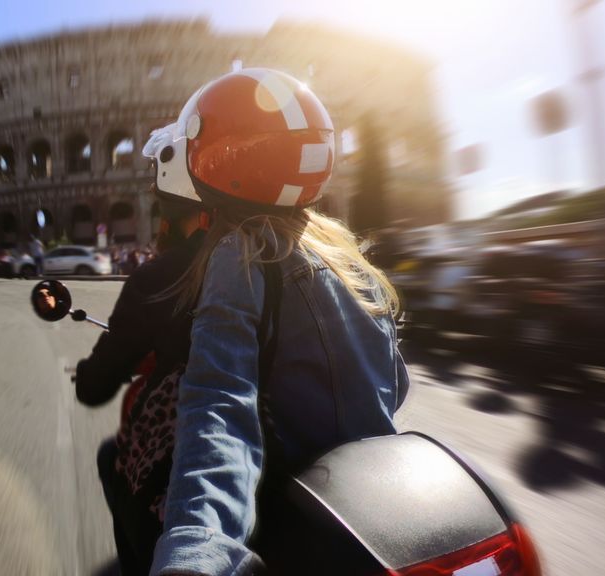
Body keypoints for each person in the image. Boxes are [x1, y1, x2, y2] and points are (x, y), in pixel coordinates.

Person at [149, 69, 410, 576]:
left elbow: (219, 404)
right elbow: (395, 382)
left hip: (301, 502)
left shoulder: (241, 253)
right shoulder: (346, 255)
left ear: (219, 160)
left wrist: (198, 549)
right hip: (380, 496)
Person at [74, 114, 212, 574]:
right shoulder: (316, 263)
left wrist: (94, 374)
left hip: (214, 458)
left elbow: (93, 387)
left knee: (112, 455)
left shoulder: (160, 277)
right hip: (315, 448)